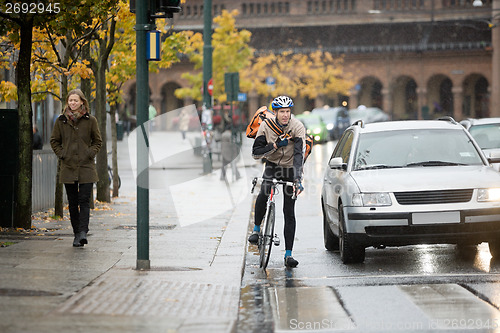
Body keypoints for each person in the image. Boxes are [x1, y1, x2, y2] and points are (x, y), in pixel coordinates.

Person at [248, 96, 306, 268]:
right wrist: (274, 146)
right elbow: (256, 153)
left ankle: (288, 255)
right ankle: (257, 230)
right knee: (264, 191)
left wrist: (297, 178)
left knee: (289, 211)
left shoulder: (297, 127)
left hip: (289, 169)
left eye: (288, 111)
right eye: (282, 112)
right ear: (275, 112)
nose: (285, 115)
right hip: (273, 165)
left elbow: (298, 155)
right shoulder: (266, 126)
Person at [50, 89, 102, 247]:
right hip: (68, 167)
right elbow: (54, 141)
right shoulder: (61, 121)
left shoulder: (90, 120)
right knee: (72, 202)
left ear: (82, 102)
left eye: (75, 100)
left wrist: (89, 153)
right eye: (70, 100)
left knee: (84, 201)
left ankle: (83, 232)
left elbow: (97, 141)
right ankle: (76, 234)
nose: (72, 103)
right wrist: (63, 154)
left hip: (86, 167)